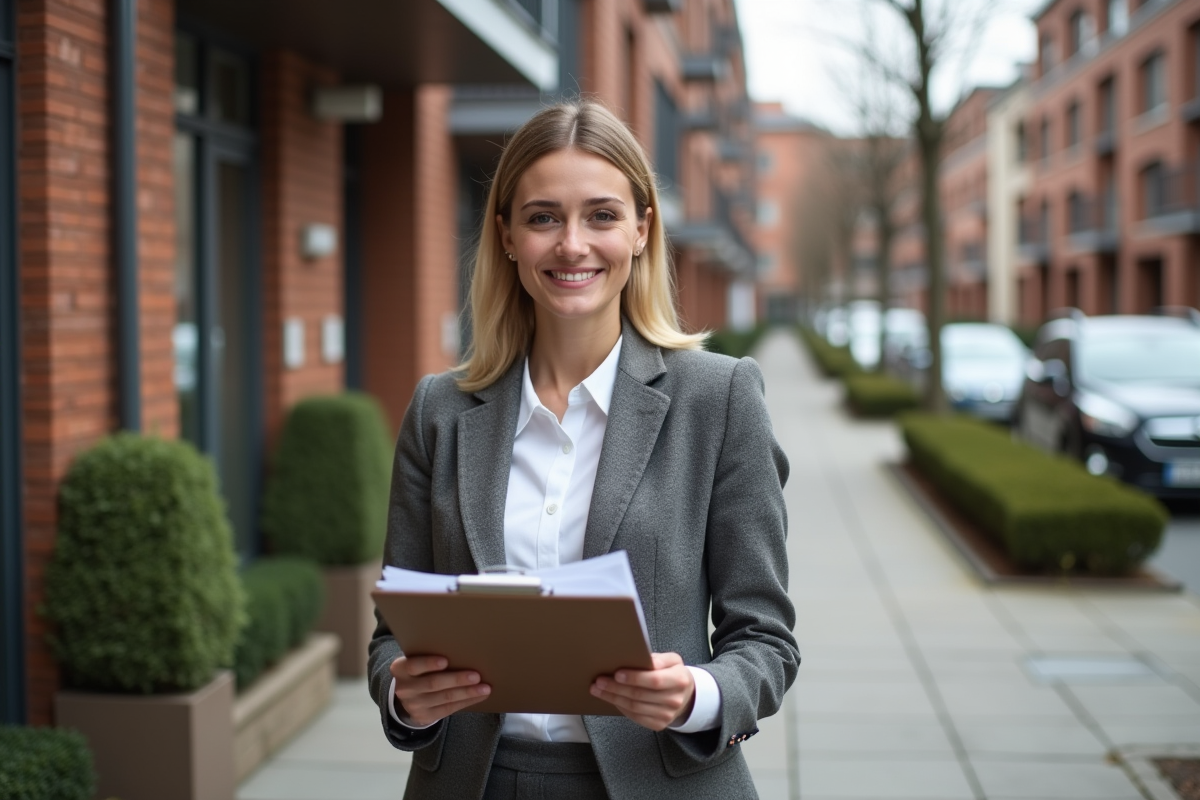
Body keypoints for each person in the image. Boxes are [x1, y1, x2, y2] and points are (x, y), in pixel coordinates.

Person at [367, 99, 798, 799]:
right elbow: (391, 636)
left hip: (660, 781)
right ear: (506, 235)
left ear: (640, 230)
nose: (572, 244)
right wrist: (404, 695)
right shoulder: (439, 411)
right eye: (543, 217)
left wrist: (699, 694)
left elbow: (767, 641)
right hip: (478, 783)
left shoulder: (718, 400)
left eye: (601, 215)